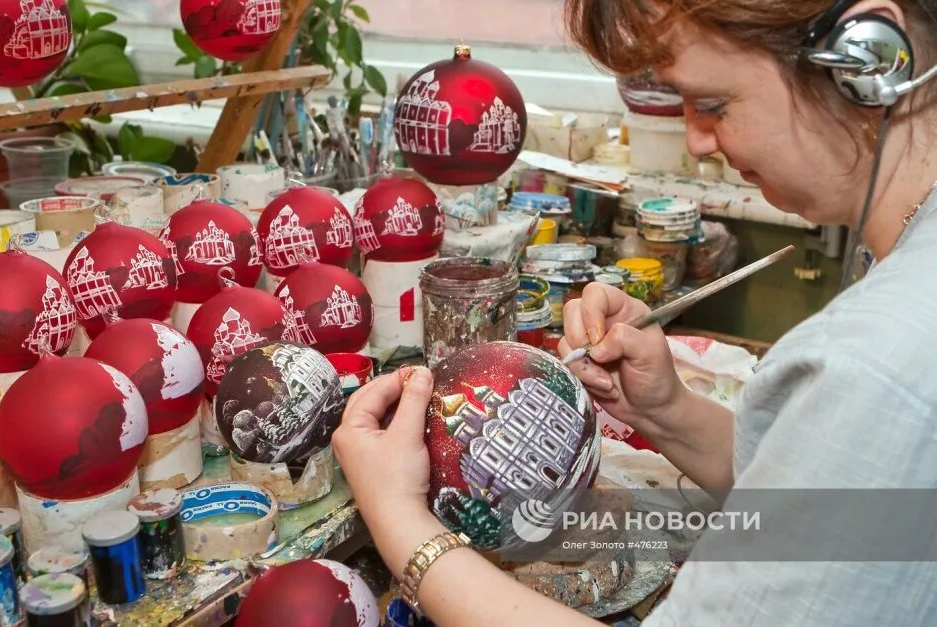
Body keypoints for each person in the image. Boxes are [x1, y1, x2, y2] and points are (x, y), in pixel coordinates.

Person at [333, 0, 937, 624]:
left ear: (866, 58)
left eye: (712, 105)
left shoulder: (878, 361)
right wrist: (666, 410)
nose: (698, 143)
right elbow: (825, 503)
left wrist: (401, 522)